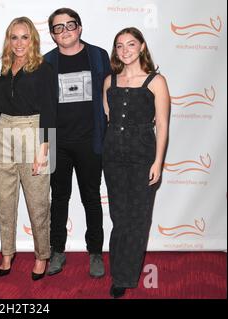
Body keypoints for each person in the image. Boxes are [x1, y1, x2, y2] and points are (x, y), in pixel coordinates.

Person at [103, 27, 170, 298]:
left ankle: (125, 276)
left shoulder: (156, 81)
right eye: (119, 46)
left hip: (143, 156)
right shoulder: (110, 81)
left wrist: (158, 162)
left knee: (138, 218)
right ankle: (117, 267)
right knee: (119, 216)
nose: (125, 50)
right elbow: (109, 117)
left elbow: (163, 125)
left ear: (141, 46)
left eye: (131, 44)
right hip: (113, 156)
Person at [43, 8, 111, 278]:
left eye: (70, 25)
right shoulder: (46, 61)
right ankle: (57, 251)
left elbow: (110, 95)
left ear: (80, 28)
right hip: (59, 143)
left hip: (90, 141)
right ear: (52, 34)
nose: (65, 30)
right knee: (59, 199)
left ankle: (95, 252)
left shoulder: (98, 55)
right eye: (58, 27)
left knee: (91, 198)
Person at [0, 17, 56, 281]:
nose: (19, 43)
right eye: (14, 37)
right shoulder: (5, 67)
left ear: (33, 39)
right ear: (8, 40)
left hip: (33, 132)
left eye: (24, 37)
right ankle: (7, 252)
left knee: (38, 202)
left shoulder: (44, 69)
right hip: (2, 131)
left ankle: (42, 255)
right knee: (5, 201)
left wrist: (44, 147)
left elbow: (51, 110)